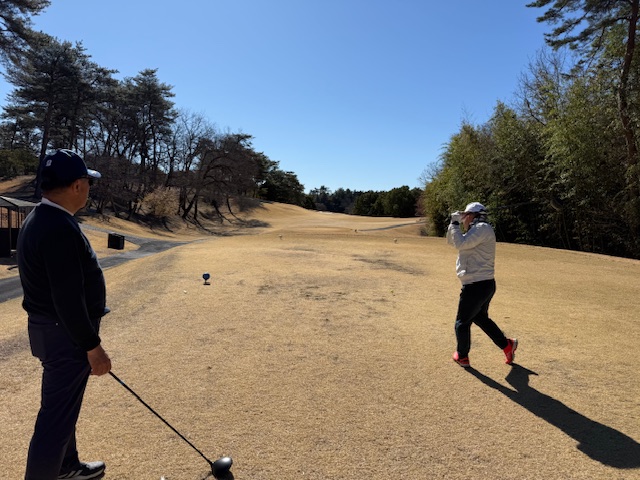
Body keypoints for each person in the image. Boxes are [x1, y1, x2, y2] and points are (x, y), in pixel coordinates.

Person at [17, 149, 111, 480]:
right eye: (88, 182)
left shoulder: (43, 217)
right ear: (76, 186)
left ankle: (66, 466)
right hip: (65, 337)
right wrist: (92, 346)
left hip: (52, 332)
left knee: (61, 409)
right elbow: (67, 299)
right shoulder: (58, 227)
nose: (89, 189)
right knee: (55, 420)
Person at [446, 201, 517, 368]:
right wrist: (453, 223)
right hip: (482, 284)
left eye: (465, 216)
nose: (463, 219)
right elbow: (452, 241)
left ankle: (462, 356)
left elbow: (460, 243)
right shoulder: (476, 230)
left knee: (462, 323)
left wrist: (455, 222)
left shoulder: (482, 228)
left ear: (472, 216)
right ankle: (507, 345)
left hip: (476, 285)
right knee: (479, 318)